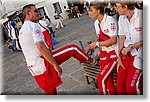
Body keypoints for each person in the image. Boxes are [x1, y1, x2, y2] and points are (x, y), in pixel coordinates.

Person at [19, 4, 94, 95]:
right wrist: (55, 65)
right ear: (28, 13)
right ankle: (92, 61)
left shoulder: (22, 30)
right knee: (72, 48)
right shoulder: (32, 26)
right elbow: (41, 47)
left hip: (33, 66)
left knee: (50, 90)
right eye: (35, 11)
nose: (38, 13)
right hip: (42, 61)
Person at [88, 2, 118, 95]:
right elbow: (100, 38)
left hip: (114, 54)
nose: (89, 12)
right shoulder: (96, 23)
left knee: (101, 80)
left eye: (91, 10)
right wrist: (92, 47)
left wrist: (97, 44)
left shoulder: (110, 20)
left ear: (98, 11)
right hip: (104, 54)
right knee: (108, 81)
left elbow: (113, 40)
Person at [115, 0, 143, 95]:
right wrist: (118, 56)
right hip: (126, 54)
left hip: (140, 54)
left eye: (117, 7)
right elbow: (122, 37)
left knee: (131, 88)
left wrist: (131, 47)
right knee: (120, 87)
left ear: (125, 7)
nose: (115, 9)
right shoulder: (121, 18)